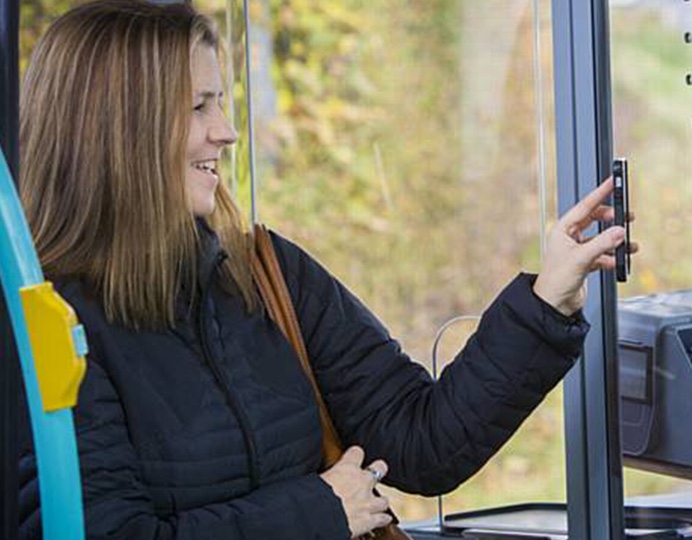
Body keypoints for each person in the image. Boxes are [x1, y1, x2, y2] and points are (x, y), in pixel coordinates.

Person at [16, 1, 632, 539]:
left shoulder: (262, 273)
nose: (226, 132)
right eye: (199, 106)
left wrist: (547, 297)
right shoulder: (47, 328)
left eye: (222, 103)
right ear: (120, 130)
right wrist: (319, 511)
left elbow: (422, 441)